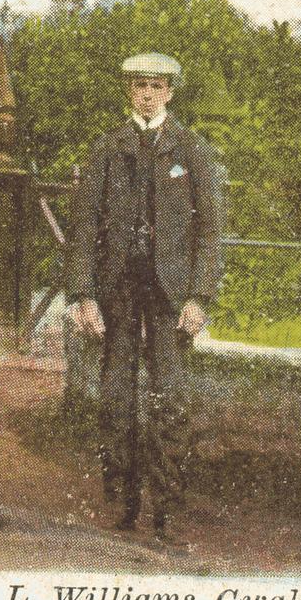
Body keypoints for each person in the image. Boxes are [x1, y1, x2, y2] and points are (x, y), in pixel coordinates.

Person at [65, 52, 224, 543]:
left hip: (170, 296)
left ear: (171, 92)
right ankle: (123, 501)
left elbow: (211, 230)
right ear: (128, 91)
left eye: (157, 86)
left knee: (170, 398)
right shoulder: (107, 149)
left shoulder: (192, 150)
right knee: (115, 396)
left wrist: (200, 295)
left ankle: (167, 508)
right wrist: (82, 295)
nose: (148, 94)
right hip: (118, 292)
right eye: (139, 86)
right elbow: (84, 225)